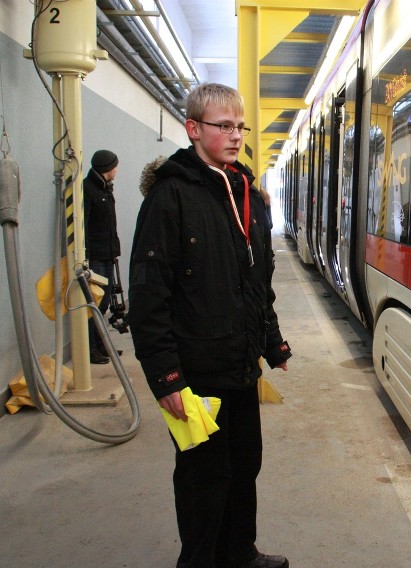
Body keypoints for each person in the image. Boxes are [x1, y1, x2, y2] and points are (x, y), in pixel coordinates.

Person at [127, 83, 292, 568]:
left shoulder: (249, 196)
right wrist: (166, 378)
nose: (236, 135)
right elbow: (148, 296)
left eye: (240, 126)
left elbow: (258, 281)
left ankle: (240, 553)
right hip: (196, 374)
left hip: (240, 366)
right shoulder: (170, 197)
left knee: (245, 467)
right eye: (224, 126)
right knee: (203, 477)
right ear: (193, 129)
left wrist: (272, 342)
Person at [83, 149, 121, 364]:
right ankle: (91, 349)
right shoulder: (89, 190)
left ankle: (100, 345)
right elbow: (85, 225)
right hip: (95, 257)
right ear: (107, 168)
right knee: (94, 303)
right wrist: (86, 257)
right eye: (114, 165)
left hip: (107, 254)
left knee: (104, 302)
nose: (117, 169)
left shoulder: (106, 190)